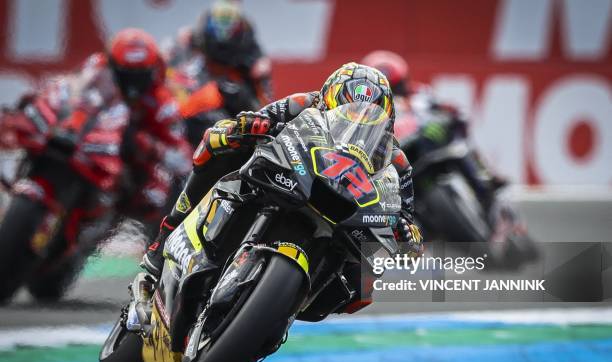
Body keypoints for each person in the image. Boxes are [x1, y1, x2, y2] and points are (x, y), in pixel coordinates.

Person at [142, 62, 423, 279]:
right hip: (287, 174)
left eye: (368, 117)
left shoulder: (396, 161)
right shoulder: (303, 103)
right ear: (327, 101)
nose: (356, 122)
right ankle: (165, 236)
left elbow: (407, 223)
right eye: (348, 111)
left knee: (367, 273)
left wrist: (407, 232)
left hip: (345, 211)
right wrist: (247, 127)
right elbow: (255, 119)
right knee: (221, 143)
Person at [3, 28, 191, 223]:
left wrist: (149, 145)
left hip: (120, 165)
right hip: (81, 139)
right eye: (123, 73)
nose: (130, 83)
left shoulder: (163, 102)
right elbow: (70, 88)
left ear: (152, 72)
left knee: (153, 197)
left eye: (138, 75)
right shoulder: (96, 67)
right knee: (29, 104)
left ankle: (103, 222)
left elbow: (183, 158)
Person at [362, 50, 506, 209]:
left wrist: (448, 116)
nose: (392, 94)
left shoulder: (421, 94)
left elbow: (454, 112)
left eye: (396, 86)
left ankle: (486, 177)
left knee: (459, 145)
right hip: (399, 157)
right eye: (384, 89)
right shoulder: (366, 115)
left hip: (430, 144)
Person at [163, 1, 273, 148]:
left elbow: (264, 108)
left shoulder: (252, 59)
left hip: (231, 128)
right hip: (186, 125)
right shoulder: (188, 46)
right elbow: (169, 94)